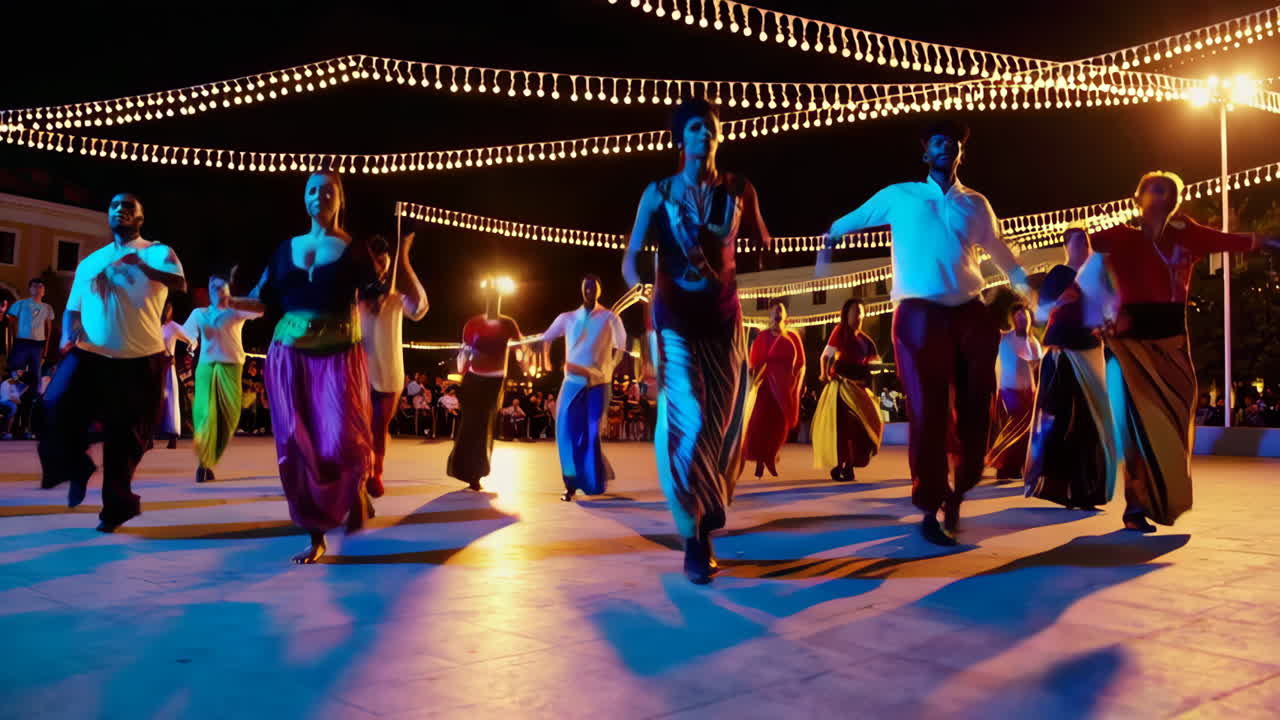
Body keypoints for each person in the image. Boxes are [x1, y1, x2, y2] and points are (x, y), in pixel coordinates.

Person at [822, 119, 1029, 546]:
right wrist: (828, 244)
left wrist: (1028, 287)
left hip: (969, 311)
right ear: (925, 153)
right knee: (929, 412)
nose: (946, 148)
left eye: (952, 143)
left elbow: (1002, 254)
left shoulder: (975, 204)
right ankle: (931, 505)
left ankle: (961, 485)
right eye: (938, 142)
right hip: (917, 314)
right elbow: (849, 221)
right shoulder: (901, 196)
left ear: (960, 153)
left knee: (977, 409)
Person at [622, 98, 773, 584]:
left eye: (710, 129)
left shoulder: (740, 189)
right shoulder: (657, 192)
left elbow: (764, 242)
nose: (702, 137)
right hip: (675, 321)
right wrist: (644, 289)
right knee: (689, 419)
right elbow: (630, 259)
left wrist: (757, 246)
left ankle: (709, 501)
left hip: (725, 321)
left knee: (721, 422)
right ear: (679, 139)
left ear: (719, 137)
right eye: (693, 130)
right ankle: (695, 537)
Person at [1093, 171, 1280, 532]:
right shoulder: (1117, 236)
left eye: (1170, 190)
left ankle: (1164, 495)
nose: (1163, 195)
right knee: (1137, 424)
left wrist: (1269, 241)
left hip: (1174, 336)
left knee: (1178, 418)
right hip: (1129, 338)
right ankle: (1135, 506)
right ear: (1138, 196)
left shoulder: (1187, 233)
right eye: (1154, 188)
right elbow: (1079, 257)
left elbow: (1235, 240)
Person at [38, 193, 186, 532]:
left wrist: (143, 267)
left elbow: (180, 283)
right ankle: (77, 467)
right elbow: (73, 308)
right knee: (53, 408)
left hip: (140, 359)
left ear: (140, 217)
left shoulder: (158, 252)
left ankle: (115, 509)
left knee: (126, 438)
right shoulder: (91, 262)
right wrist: (66, 335)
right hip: (90, 354)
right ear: (109, 215)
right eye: (115, 206)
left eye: (129, 206)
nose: (121, 209)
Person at [249, 171, 376, 563]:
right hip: (288, 357)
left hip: (337, 357)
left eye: (328, 190)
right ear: (303, 198)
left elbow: (375, 298)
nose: (319, 196)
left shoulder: (356, 249)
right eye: (312, 190)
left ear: (340, 199)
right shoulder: (284, 248)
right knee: (295, 446)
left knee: (339, 441)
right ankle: (315, 533)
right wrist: (229, 301)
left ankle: (354, 492)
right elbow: (260, 299)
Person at [1024, 226, 1117, 510]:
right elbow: (1040, 313)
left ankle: (1087, 491)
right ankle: (1057, 487)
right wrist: (1058, 301)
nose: (1084, 246)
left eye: (1087, 241)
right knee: (1061, 419)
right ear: (1067, 246)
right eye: (1078, 241)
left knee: (1093, 424)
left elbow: (1110, 310)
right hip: (1063, 354)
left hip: (1090, 352)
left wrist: (1108, 323)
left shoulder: (1098, 278)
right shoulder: (1059, 275)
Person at [541, 274, 627, 500]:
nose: (589, 290)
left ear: (599, 290)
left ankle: (592, 481)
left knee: (590, 433)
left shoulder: (610, 317)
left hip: (599, 383)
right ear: (581, 290)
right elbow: (546, 337)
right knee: (566, 433)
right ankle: (570, 483)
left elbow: (621, 347)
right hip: (572, 382)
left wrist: (608, 370)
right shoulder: (567, 318)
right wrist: (546, 359)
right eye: (586, 287)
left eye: (593, 287)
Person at [358, 232, 428, 497]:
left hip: (389, 374)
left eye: (383, 259)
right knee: (358, 433)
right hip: (358, 373)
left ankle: (376, 472)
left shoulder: (397, 295)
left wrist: (405, 259)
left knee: (379, 429)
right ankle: (360, 476)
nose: (378, 264)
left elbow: (420, 308)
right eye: (373, 260)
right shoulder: (355, 292)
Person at [183, 272, 265, 482]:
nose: (217, 291)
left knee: (229, 417)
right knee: (205, 415)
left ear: (228, 289)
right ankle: (204, 463)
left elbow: (260, 308)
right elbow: (186, 335)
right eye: (213, 288)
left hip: (231, 367)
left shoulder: (236, 310)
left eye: (221, 287)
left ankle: (210, 458)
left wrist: (261, 283)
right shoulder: (199, 314)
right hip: (206, 367)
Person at [447, 278, 522, 491]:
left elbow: (520, 348)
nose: (492, 299)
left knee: (484, 425)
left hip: (494, 382)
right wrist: (461, 376)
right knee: (469, 425)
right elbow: (465, 352)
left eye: (496, 295)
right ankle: (464, 470)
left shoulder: (508, 323)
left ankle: (477, 473)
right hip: (473, 380)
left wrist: (529, 359)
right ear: (484, 298)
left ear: (500, 298)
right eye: (488, 295)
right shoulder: (473, 323)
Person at [813, 297, 884, 483]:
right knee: (843, 428)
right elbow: (825, 357)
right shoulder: (840, 332)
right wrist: (825, 376)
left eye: (861, 313)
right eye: (855, 312)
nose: (859, 316)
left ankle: (851, 464)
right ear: (847, 314)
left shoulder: (866, 341)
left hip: (859, 387)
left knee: (865, 427)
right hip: (841, 387)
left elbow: (875, 364)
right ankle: (839, 465)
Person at [743, 299, 805, 478]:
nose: (777, 314)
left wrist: (796, 383)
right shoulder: (762, 337)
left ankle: (770, 456)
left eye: (781, 311)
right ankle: (762, 461)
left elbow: (800, 363)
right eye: (775, 311)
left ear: (785, 315)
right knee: (760, 425)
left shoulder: (792, 338)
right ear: (770, 314)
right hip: (765, 388)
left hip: (784, 389)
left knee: (778, 427)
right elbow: (754, 362)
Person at [985, 303, 1042, 480]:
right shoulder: (1004, 338)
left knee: (1024, 434)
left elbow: (1037, 367)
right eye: (1018, 317)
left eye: (1025, 316)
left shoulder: (1034, 343)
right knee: (1011, 430)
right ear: (1013, 319)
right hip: (1008, 391)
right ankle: (1002, 464)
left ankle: (1013, 467)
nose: (1022, 320)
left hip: (1028, 393)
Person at [160, 301, 196, 449]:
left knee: (170, 400)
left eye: (167, 309)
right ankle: (148, 436)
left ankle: (173, 435)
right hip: (155, 367)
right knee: (153, 401)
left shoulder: (173, 326)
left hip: (168, 366)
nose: (165, 311)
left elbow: (191, 340)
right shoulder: (154, 325)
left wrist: (189, 354)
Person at [6, 278, 55, 383]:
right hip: (22, 342)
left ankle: (32, 396)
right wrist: (11, 345)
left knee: (35, 374)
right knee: (16, 372)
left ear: (44, 290)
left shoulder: (48, 308)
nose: (37, 289)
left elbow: (48, 329)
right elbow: (10, 325)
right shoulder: (20, 304)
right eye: (34, 286)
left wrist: (45, 350)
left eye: (40, 286)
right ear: (30, 289)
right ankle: (12, 395)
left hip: (38, 344)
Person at [0, 369, 25, 438]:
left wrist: (18, 400)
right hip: (5, 402)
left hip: (11, 402)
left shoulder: (14, 385)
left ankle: (9, 431)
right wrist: (16, 400)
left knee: (16, 409)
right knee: (11, 408)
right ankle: (5, 432)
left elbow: (17, 396)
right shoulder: (7, 383)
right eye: (18, 373)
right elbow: (6, 397)